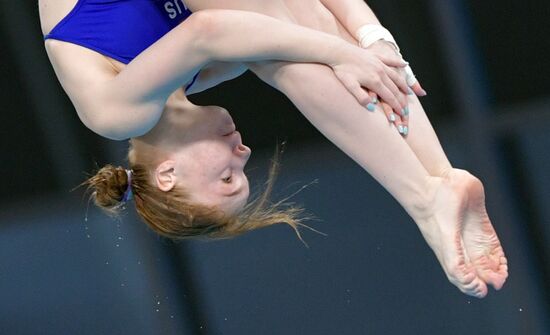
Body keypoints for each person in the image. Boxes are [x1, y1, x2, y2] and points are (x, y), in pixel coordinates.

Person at [39, 0, 507, 298]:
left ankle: (424, 202)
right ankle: (439, 177)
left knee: (280, 47)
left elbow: (209, 28)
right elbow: (311, 13)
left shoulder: (119, 115)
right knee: (286, 34)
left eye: (226, 178)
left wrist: (341, 53)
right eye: (243, 173)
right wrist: (371, 38)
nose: (243, 154)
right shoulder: (205, 72)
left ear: (167, 176)